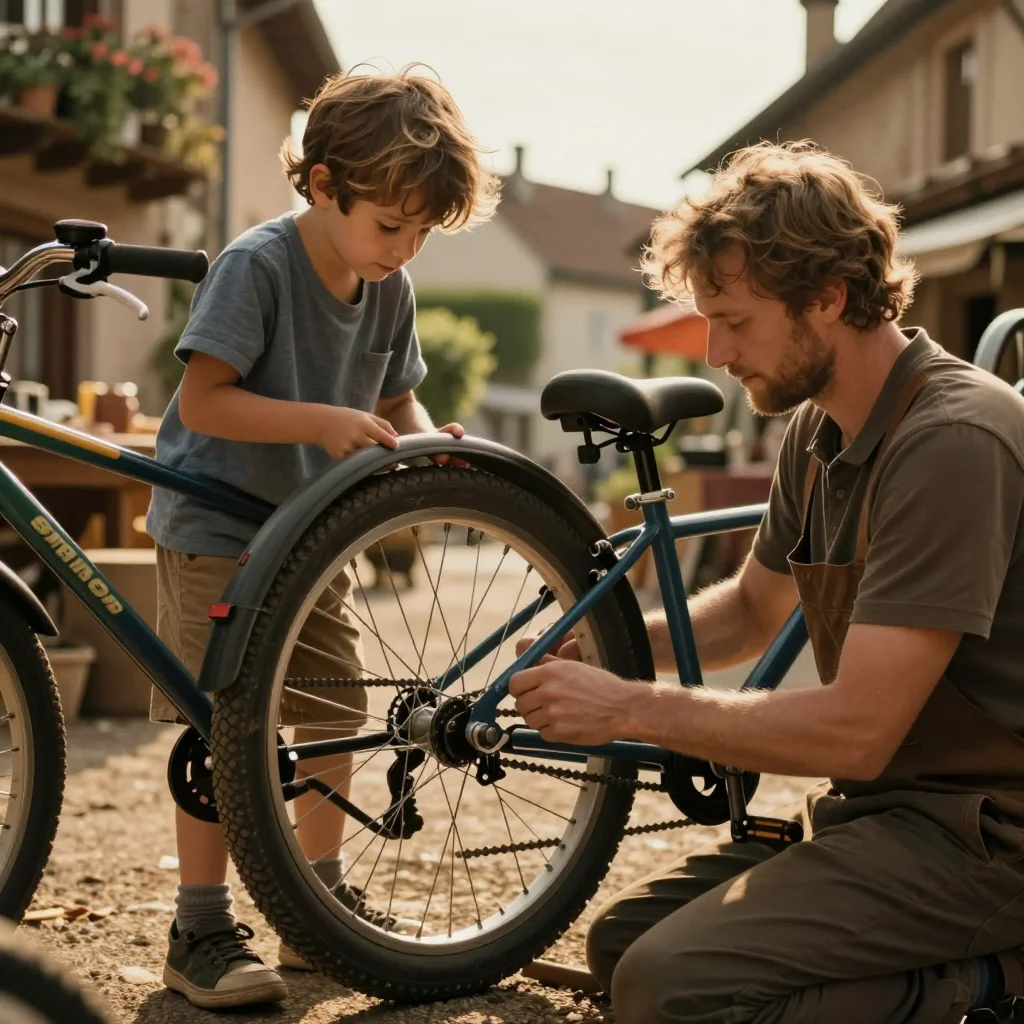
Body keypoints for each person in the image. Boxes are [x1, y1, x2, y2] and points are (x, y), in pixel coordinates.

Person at [511, 141, 1024, 1024]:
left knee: (666, 989)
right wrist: (606, 645)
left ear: (827, 297)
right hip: (891, 817)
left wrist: (626, 708)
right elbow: (752, 612)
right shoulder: (820, 434)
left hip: (989, 839)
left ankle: (993, 985)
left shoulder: (953, 438)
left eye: (736, 322)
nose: (715, 352)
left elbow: (860, 730)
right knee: (621, 948)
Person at [145, 66, 498, 1010]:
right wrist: (317, 423)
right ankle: (201, 923)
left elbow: (394, 401)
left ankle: (315, 905)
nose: (406, 247)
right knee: (221, 729)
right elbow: (205, 401)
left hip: (312, 538)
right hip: (217, 521)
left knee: (332, 708)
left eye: (424, 231)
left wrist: (427, 440)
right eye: (392, 225)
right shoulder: (256, 265)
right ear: (325, 184)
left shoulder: (391, 287)